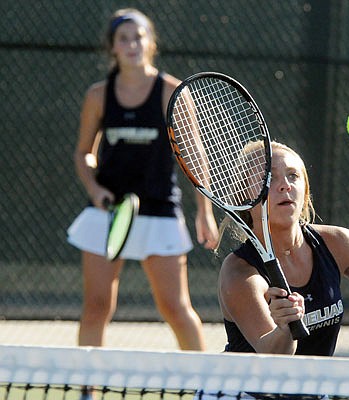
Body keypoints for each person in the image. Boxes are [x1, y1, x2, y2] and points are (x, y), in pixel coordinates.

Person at [67, 8, 219, 352]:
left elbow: (194, 155)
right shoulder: (97, 96)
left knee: (175, 308)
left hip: (159, 209)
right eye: (124, 38)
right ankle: (87, 390)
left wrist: (204, 211)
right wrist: (94, 189)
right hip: (109, 214)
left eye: (139, 36)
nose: (132, 43)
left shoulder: (170, 91)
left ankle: (205, 386)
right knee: (96, 306)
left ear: (151, 43)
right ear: (113, 47)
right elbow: (83, 154)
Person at [217, 141, 349, 356]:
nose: (285, 185)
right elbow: (275, 358)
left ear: (305, 191)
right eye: (269, 178)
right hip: (246, 388)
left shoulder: (336, 243)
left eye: (293, 175)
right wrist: (285, 329)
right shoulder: (239, 273)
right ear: (243, 197)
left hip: (313, 388)